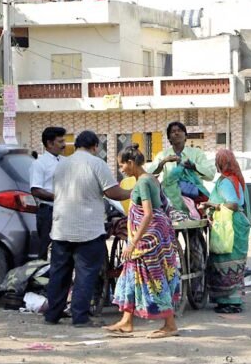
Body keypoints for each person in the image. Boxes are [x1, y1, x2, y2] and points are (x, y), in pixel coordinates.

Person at [45, 130, 131, 328]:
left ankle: (52, 314)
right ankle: (80, 317)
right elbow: (112, 192)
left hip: (61, 227)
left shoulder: (61, 164)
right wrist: (132, 192)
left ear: (76, 146)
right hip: (88, 229)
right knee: (85, 273)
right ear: (94, 147)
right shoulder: (96, 163)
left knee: (59, 273)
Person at [106, 144, 180, 338]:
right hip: (152, 234)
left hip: (149, 239)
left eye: (122, 165)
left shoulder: (143, 183)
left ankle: (170, 325)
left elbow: (147, 214)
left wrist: (132, 243)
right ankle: (126, 321)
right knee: (130, 276)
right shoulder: (149, 179)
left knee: (153, 279)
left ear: (131, 163)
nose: (121, 169)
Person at [201, 149, 251, 314]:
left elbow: (233, 204)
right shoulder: (236, 179)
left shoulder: (226, 182)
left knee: (226, 260)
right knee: (234, 261)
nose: (216, 164)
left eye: (217, 161)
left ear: (222, 163)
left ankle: (230, 302)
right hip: (237, 223)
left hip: (229, 225)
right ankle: (232, 299)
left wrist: (211, 205)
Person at [147, 122, 215, 215]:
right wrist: (163, 162)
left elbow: (210, 175)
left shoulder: (197, 153)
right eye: (173, 131)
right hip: (171, 201)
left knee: (193, 226)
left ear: (186, 136)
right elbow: (149, 175)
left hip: (193, 199)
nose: (176, 133)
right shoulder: (163, 155)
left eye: (179, 130)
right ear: (169, 138)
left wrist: (194, 167)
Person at [30, 126, 66, 261]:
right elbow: (35, 190)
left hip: (65, 210)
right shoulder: (40, 164)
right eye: (60, 141)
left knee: (62, 248)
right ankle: (43, 279)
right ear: (50, 143)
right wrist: (58, 197)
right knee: (45, 247)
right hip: (48, 211)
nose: (64, 145)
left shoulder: (64, 161)